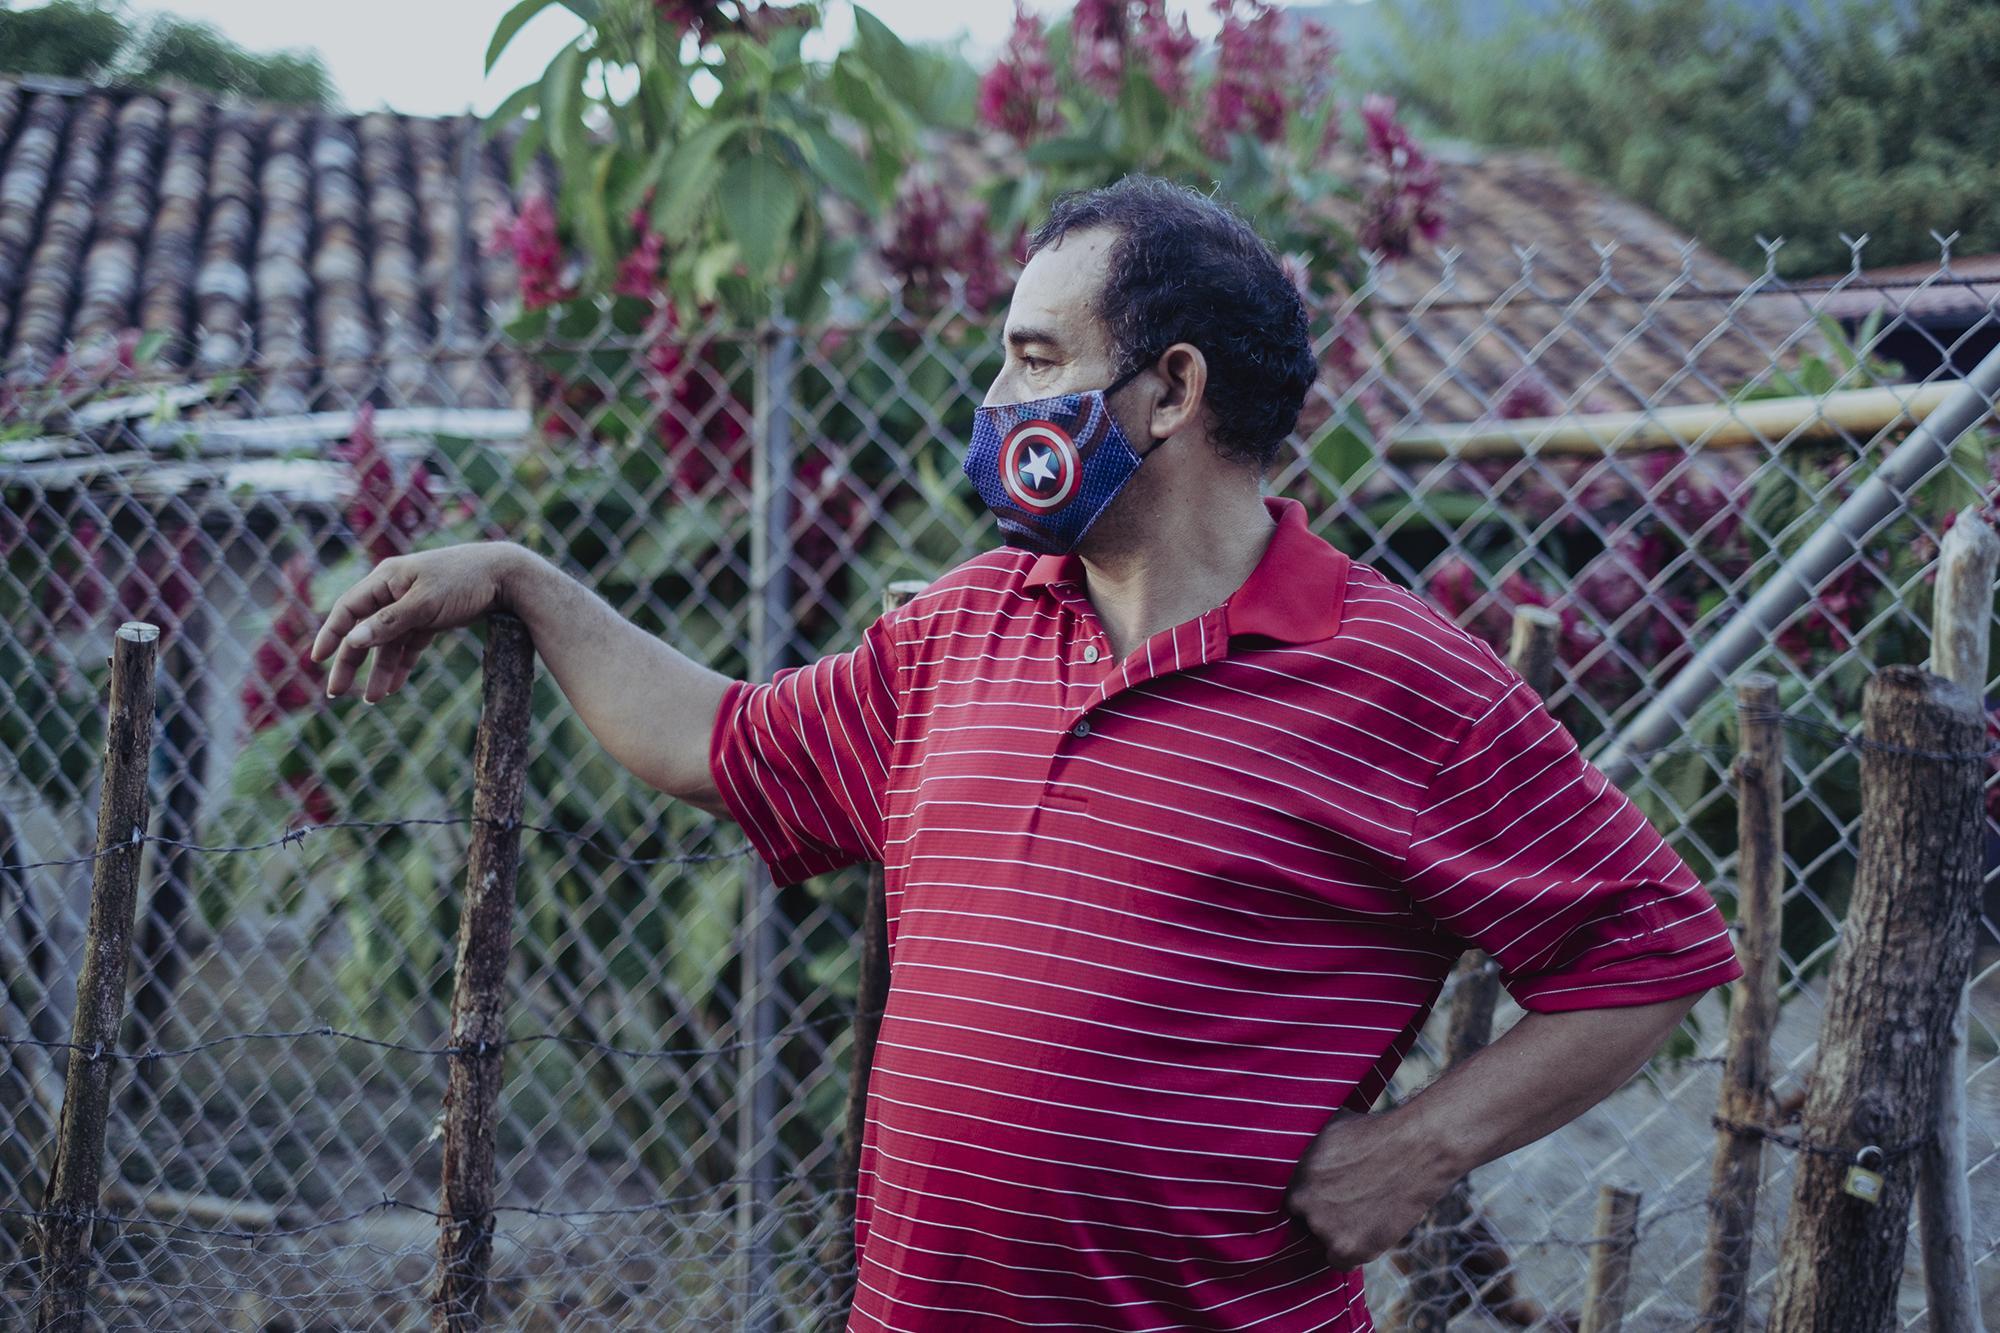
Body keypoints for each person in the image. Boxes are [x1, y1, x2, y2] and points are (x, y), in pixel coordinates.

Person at [311, 175, 1744, 1331]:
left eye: (1037, 359)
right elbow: (714, 739)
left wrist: (1421, 1144)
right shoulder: (960, 626)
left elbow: (1658, 954)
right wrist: (524, 581)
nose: (997, 403)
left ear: (1170, 390)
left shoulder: (1400, 680)